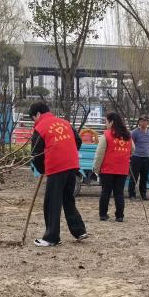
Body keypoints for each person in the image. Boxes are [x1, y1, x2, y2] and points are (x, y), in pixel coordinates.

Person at [29, 102, 88, 247]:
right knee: (68, 199)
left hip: (56, 166)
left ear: (37, 114)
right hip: (72, 165)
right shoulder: (65, 122)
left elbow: (36, 154)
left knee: (52, 202)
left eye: (33, 118)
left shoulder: (40, 128)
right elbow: (78, 141)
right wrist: (68, 152)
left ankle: (51, 238)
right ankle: (79, 231)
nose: (34, 122)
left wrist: (43, 168)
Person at [94, 112, 132, 222]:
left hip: (108, 168)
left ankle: (103, 214)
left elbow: (100, 153)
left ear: (111, 122)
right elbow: (132, 149)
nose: (106, 124)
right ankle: (119, 216)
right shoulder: (127, 135)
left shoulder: (106, 135)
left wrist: (96, 167)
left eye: (106, 121)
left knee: (106, 192)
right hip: (122, 169)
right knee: (119, 193)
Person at [129, 116, 149, 200]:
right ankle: (132, 194)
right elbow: (130, 144)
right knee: (134, 177)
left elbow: (148, 144)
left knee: (144, 177)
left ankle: (143, 194)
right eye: (142, 121)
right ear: (139, 122)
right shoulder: (134, 132)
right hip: (136, 157)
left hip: (146, 157)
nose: (144, 123)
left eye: (146, 121)